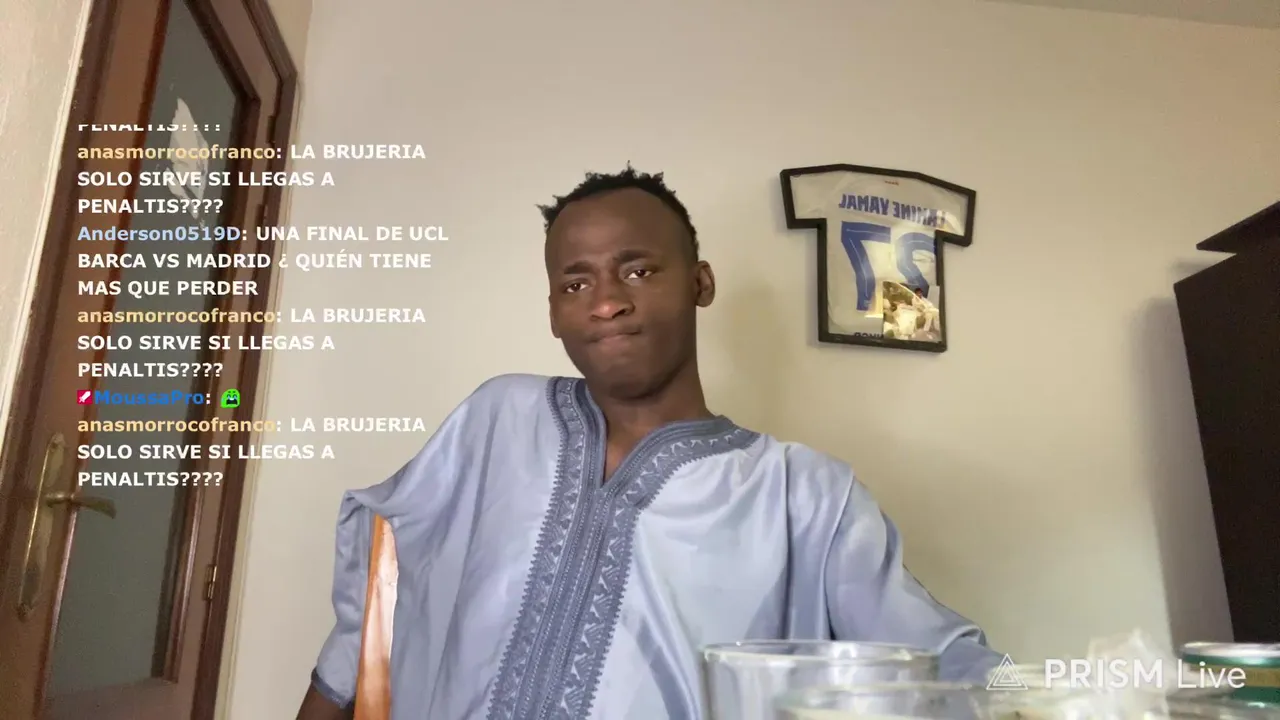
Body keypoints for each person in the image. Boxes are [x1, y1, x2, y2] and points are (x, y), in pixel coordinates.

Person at [296, 167, 1004, 720]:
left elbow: (945, 667)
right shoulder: (496, 419)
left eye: (637, 270)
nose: (607, 302)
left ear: (701, 282)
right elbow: (367, 613)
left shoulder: (803, 495)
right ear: (553, 313)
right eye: (576, 283)